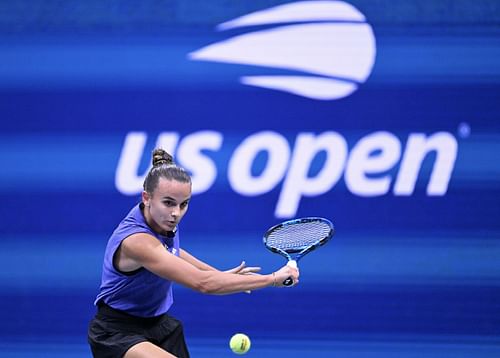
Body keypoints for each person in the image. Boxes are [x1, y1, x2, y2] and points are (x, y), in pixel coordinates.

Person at [88, 148, 300, 358]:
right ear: (146, 197)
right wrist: (272, 279)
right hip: (117, 332)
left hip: (159, 325)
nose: (176, 213)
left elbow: (171, 252)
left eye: (184, 204)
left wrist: (221, 274)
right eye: (169, 202)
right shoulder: (137, 241)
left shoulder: (161, 219)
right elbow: (203, 284)